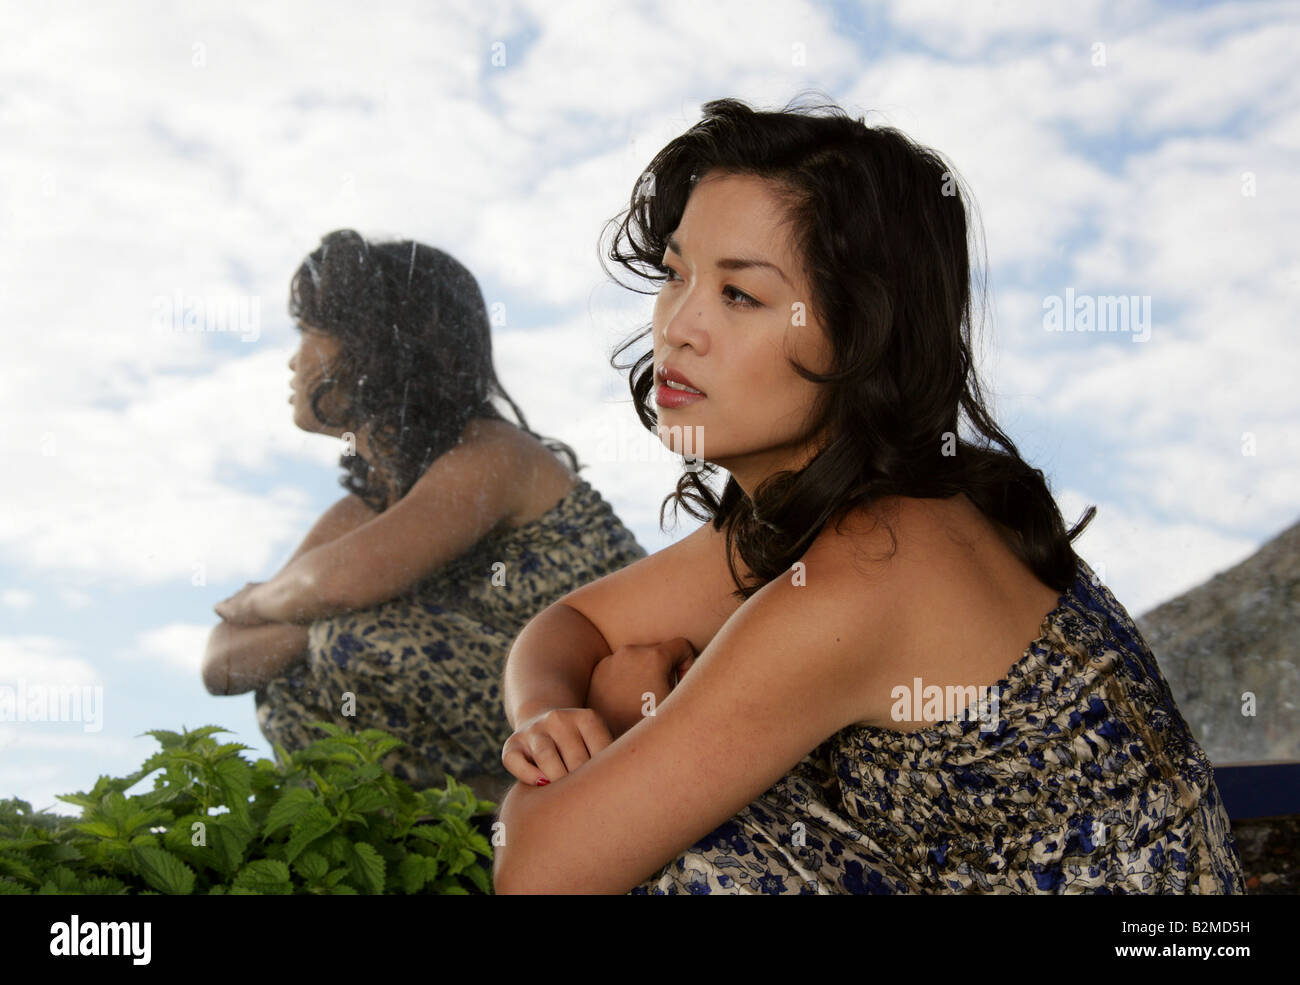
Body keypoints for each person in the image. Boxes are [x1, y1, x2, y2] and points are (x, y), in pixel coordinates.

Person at [490, 96, 1246, 894]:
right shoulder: (838, 509)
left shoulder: (876, 563)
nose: (678, 325)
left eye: (739, 295)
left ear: (862, 333)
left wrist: (620, 713)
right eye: (676, 274)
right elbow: (569, 625)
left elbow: (539, 869)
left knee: (677, 859)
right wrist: (549, 716)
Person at [201, 229, 647, 809]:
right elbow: (224, 663)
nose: (294, 358)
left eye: (313, 332)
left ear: (376, 350)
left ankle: (525, 804)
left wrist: (256, 603)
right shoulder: (365, 508)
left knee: (346, 638)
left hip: (607, 701)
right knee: (294, 679)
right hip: (510, 719)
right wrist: (304, 610)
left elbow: (335, 586)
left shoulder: (492, 455)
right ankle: (460, 819)